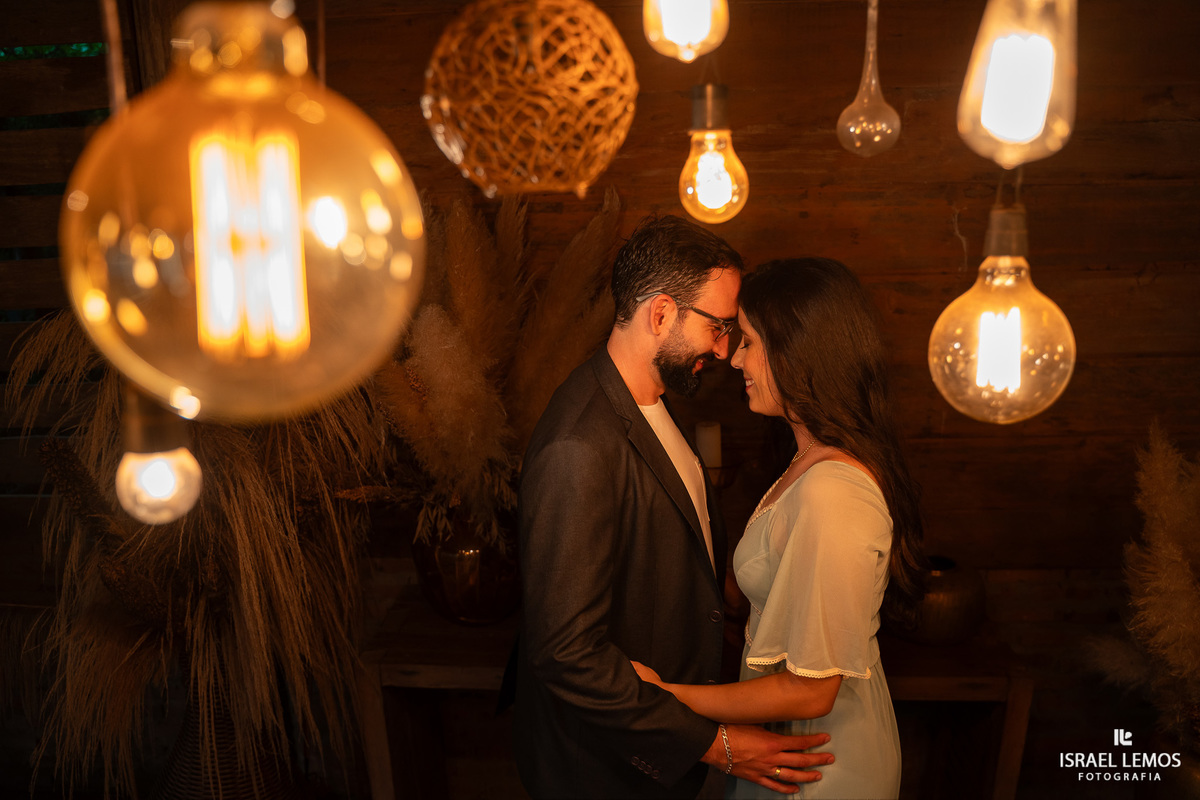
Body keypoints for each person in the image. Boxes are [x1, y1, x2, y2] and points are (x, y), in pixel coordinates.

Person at [512, 218, 835, 800]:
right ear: (661, 314)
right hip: (604, 771)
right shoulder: (578, 447)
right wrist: (713, 744)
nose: (724, 348)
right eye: (717, 327)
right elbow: (566, 655)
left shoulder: (653, 403)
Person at [633, 258, 926, 799]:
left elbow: (812, 691)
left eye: (748, 341)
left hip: (822, 763)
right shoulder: (806, 459)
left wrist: (667, 695)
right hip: (792, 751)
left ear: (798, 350)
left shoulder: (834, 490)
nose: (734, 357)